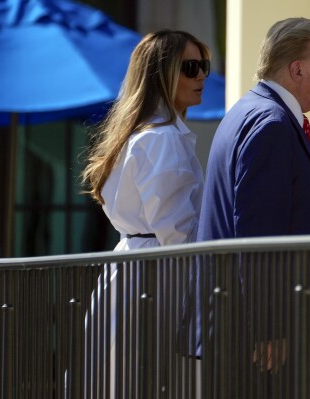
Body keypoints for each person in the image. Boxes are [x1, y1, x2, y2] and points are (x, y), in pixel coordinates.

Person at [197, 17, 310, 398]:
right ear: (297, 68)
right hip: (274, 342)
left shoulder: (251, 112)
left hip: (259, 333)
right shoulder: (271, 124)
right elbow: (259, 231)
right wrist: (267, 328)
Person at [80, 29, 211, 396]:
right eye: (190, 67)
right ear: (162, 73)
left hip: (134, 268)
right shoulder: (162, 138)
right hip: (158, 272)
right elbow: (177, 229)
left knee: (118, 375)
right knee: (145, 377)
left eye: (204, 66)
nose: (201, 75)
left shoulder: (143, 133)